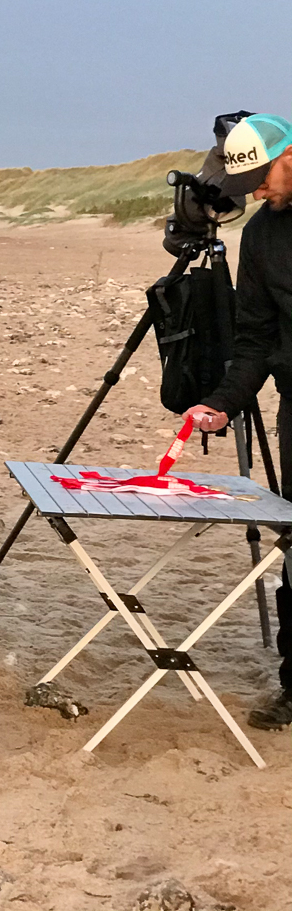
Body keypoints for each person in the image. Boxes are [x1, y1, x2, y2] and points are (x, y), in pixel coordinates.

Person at [182, 112, 292, 731]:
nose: (254, 193)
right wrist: (223, 401)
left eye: (261, 179)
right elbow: (254, 337)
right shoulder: (262, 236)